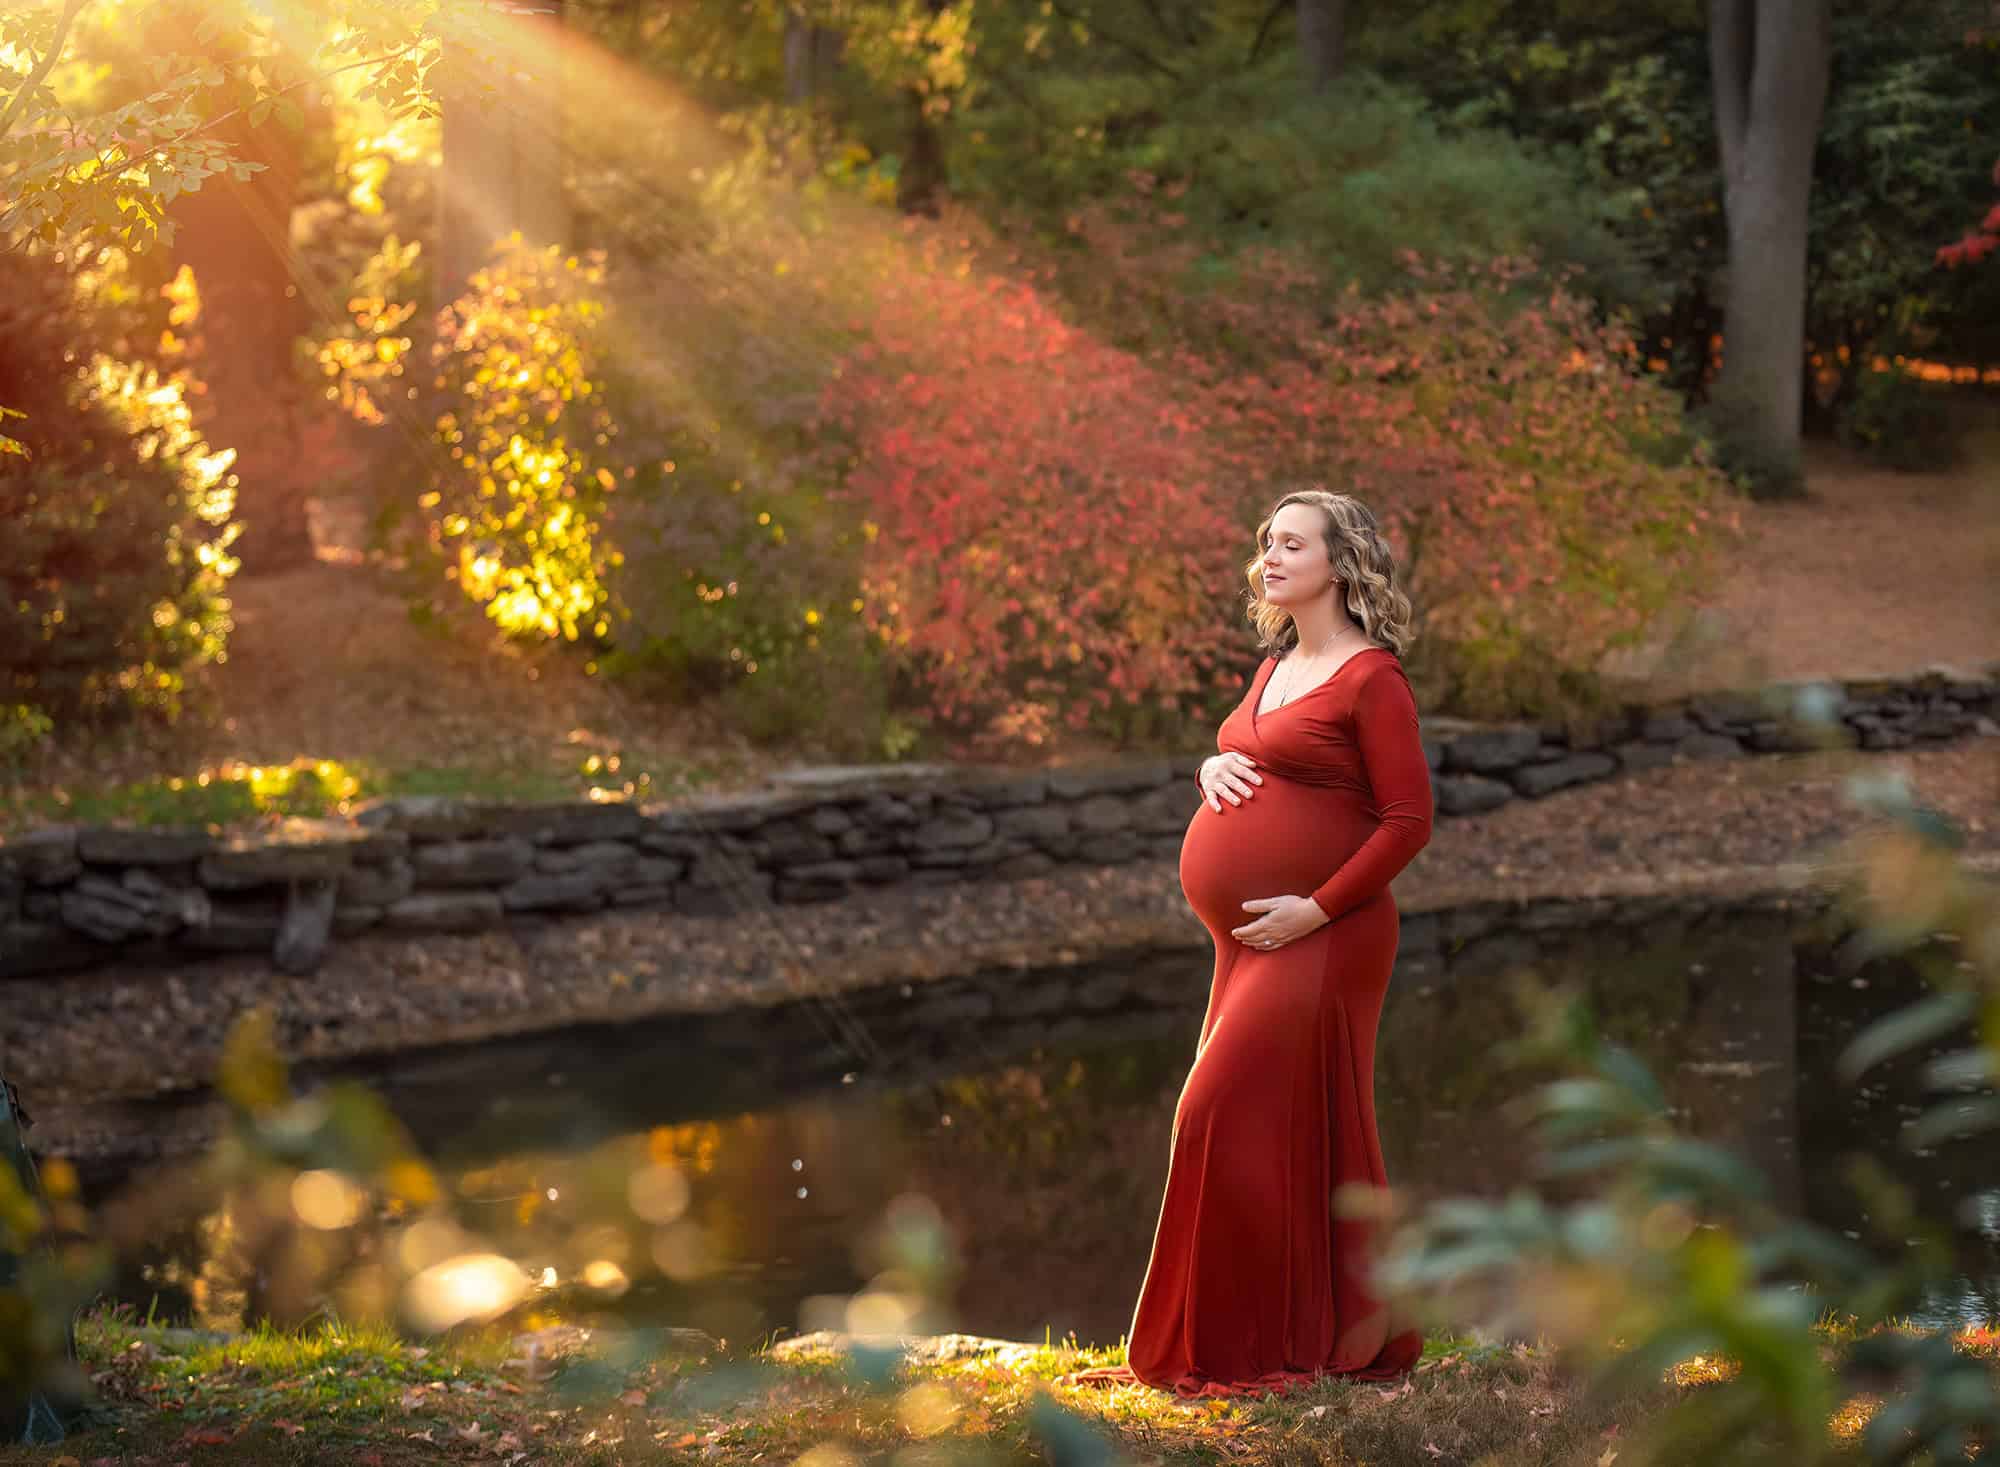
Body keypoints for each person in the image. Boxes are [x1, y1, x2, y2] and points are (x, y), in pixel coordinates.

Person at [1068, 488, 1432, 1398]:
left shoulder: (1372, 677)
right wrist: (1211, 761)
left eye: (1292, 545)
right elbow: (1248, 747)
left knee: (1212, 1110)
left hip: (1327, 936)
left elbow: (1408, 821)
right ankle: (1288, 1335)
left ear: (1340, 564)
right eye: (1267, 542)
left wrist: (1315, 908)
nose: (1270, 557)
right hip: (1250, 943)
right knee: (1271, 1130)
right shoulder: (1277, 663)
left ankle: (1233, 1345)